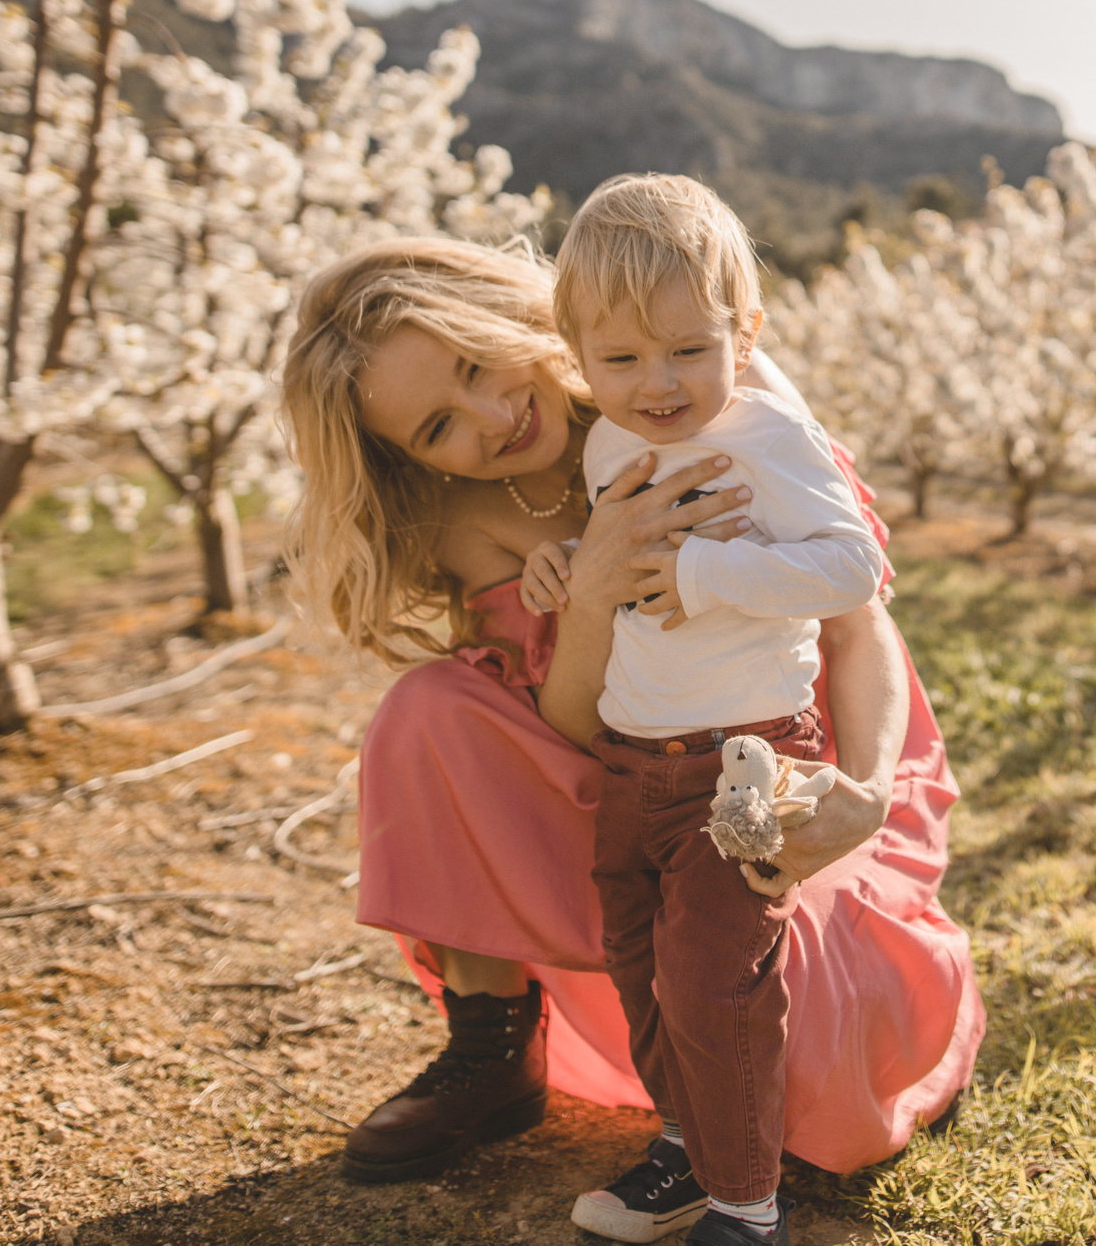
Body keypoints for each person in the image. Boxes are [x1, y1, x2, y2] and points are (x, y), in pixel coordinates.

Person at [276, 232, 981, 1240]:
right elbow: (568, 723)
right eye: (439, 424)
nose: (490, 416)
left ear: (516, 317)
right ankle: (492, 1048)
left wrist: (863, 798)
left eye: (479, 366)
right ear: (409, 458)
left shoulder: (701, 385)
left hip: (793, 763)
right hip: (631, 787)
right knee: (426, 710)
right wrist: (596, 596)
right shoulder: (464, 516)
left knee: (812, 1055)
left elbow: (857, 619)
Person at [517, 175, 885, 1245]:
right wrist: (569, 562)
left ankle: (745, 1204)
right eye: (621, 360)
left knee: (714, 977)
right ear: (578, 357)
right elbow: (630, 563)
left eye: (689, 348)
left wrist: (707, 576)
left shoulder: (771, 439)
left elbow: (849, 567)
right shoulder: (606, 445)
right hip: (633, 761)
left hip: (745, 762)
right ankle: (687, 1141)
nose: (659, 383)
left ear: (746, 331)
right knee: (637, 961)